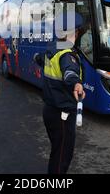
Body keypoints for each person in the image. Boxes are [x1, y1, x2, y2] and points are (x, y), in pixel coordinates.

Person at [35, 13, 86, 174]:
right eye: (77, 32)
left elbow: (40, 59)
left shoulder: (54, 49)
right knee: (62, 156)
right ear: (73, 33)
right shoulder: (66, 54)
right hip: (62, 112)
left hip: (50, 110)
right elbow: (69, 73)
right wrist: (76, 83)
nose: (77, 35)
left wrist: (37, 58)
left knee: (57, 151)